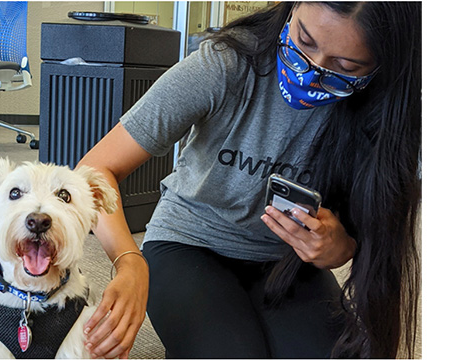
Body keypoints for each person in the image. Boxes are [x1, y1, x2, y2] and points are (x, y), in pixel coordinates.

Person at [77, 2, 421, 358]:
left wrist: (340, 249)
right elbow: (95, 170)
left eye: (344, 67)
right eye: (304, 40)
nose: (310, 72)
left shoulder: (387, 111)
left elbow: (377, 238)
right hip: (189, 246)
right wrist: (128, 260)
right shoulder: (225, 63)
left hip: (286, 264)